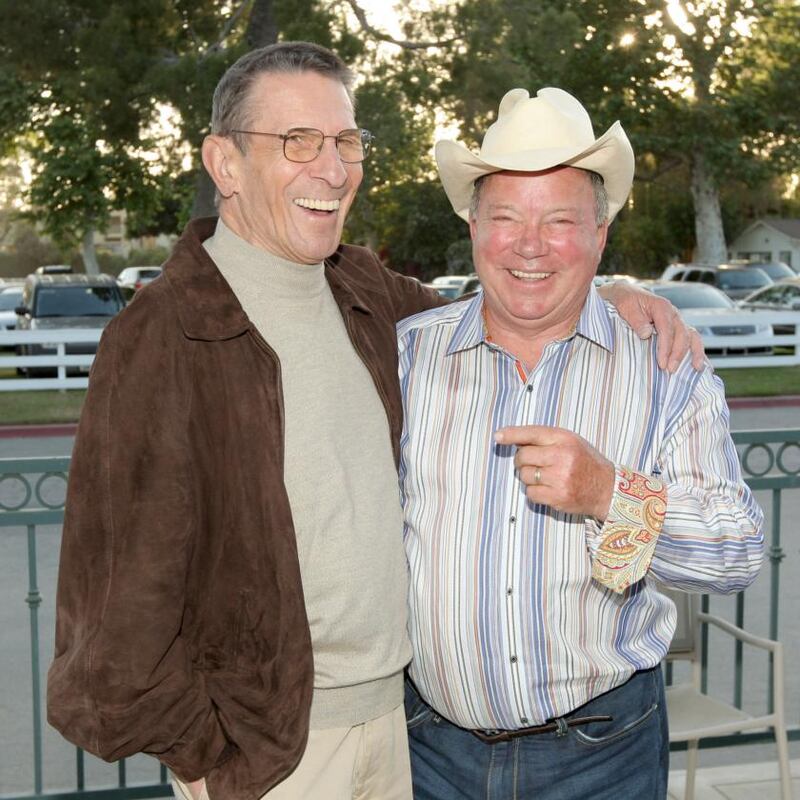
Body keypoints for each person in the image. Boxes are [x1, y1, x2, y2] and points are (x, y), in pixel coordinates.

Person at [47, 44, 701, 800]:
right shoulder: (164, 334)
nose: (332, 169)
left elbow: (508, 301)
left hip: (400, 734)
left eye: (346, 142)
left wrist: (612, 288)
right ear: (224, 164)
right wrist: (210, 754)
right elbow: (112, 610)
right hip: (272, 755)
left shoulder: (364, 293)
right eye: (298, 142)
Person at [397, 87, 764, 800]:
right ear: (473, 228)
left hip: (602, 755)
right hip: (427, 754)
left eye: (560, 220)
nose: (529, 245)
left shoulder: (664, 367)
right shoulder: (405, 358)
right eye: (505, 217)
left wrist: (609, 493)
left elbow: (739, 548)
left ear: (599, 235)